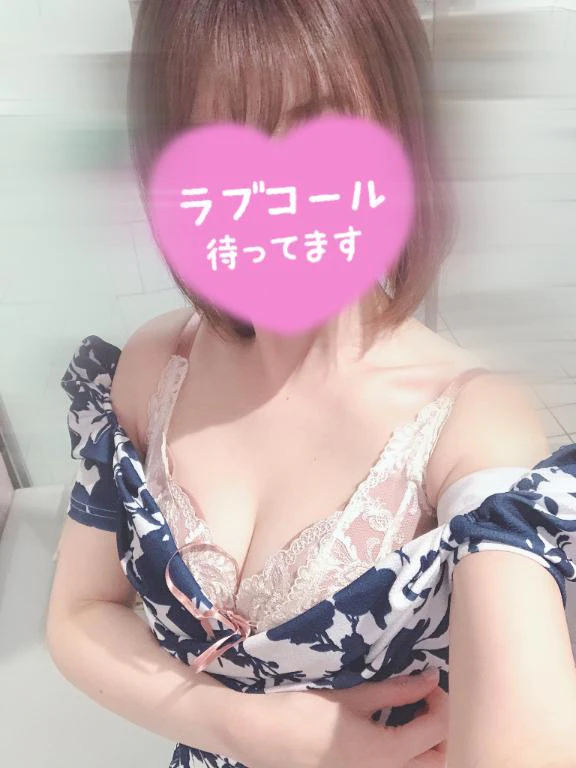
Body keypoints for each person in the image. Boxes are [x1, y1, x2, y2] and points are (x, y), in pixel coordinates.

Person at [46, 2, 576, 767]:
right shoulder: (156, 364)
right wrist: (242, 725)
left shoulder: (472, 424)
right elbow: (78, 612)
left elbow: (529, 736)